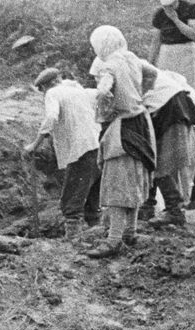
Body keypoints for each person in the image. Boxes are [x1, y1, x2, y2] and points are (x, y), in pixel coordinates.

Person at [87, 26, 159, 259]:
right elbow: (152, 73)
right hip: (141, 122)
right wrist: (138, 94)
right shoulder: (132, 58)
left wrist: (103, 103)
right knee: (135, 178)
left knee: (118, 181)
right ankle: (131, 231)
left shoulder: (109, 65)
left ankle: (115, 239)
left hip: (123, 128)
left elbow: (104, 90)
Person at [24, 67, 102, 241]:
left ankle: (73, 241)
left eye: (42, 90)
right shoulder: (79, 90)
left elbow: (51, 117)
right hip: (97, 145)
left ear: (47, 86)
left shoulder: (53, 93)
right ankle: (96, 235)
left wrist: (34, 145)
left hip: (81, 150)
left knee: (71, 198)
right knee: (92, 199)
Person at [141, 68, 195, 227]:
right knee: (152, 161)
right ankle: (148, 206)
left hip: (171, 114)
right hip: (165, 112)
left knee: (160, 164)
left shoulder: (127, 68)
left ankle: (174, 210)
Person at [149, 0, 195, 90]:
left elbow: (194, 34)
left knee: (187, 87)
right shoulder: (159, 13)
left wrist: (175, 19)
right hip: (166, 52)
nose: (168, 8)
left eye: (171, 5)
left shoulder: (190, 8)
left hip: (186, 50)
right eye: (165, 6)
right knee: (165, 87)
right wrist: (151, 62)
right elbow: (156, 40)